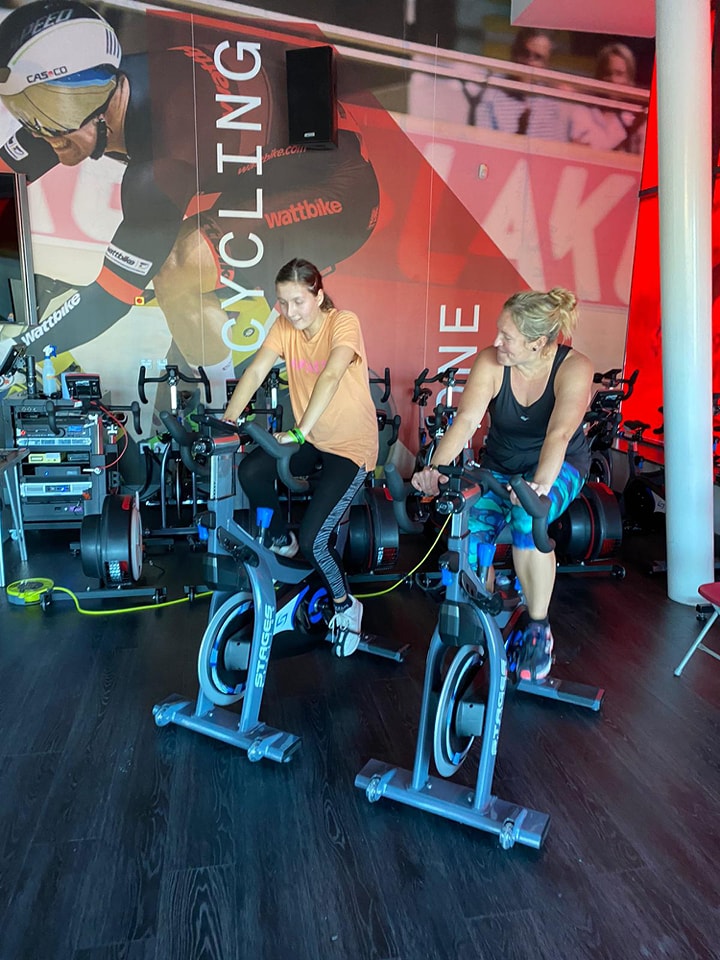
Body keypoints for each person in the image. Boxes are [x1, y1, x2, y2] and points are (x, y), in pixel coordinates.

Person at [0, 0, 379, 396]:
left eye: (49, 109)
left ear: (94, 96)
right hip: (269, 171)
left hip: (339, 191)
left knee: (176, 267)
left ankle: (223, 407)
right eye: (28, 108)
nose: (38, 129)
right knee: (173, 290)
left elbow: (111, 297)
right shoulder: (80, 110)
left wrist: (18, 351)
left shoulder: (162, 161)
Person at [411, 287, 593, 681]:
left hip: (558, 466)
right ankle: (481, 613)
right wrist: (435, 469)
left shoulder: (574, 367)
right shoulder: (492, 362)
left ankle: (538, 628)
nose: (496, 342)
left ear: (537, 343)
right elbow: (466, 420)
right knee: (468, 528)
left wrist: (539, 486)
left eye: (506, 336)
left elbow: (560, 434)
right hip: (500, 466)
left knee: (528, 520)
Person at [223, 258, 378, 657]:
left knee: (315, 540)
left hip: (350, 446)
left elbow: (331, 375)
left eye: (298, 302)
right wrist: (228, 421)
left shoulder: (343, 322)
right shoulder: (284, 327)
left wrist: (300, 430)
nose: (290, 312)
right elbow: (256, 372)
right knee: (253, 470)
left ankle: (346, 605)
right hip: (314, 438)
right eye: (282, 302)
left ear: (319, 296)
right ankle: (280, 539)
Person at [474, 28, 567, 140]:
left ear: (546, 64)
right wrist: (519, 133)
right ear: (514, 53)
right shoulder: (492, 93)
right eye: (525, 53)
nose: (529, 62)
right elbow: (482, 140)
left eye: (538, 57)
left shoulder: (552, 102)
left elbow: (556, 145)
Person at [569, 43, 647, 154]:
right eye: (607, 73)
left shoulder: (635, 120)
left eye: (619, 74)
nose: (613, 80)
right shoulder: (582, 112)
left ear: (629, 80)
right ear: (598, 77)